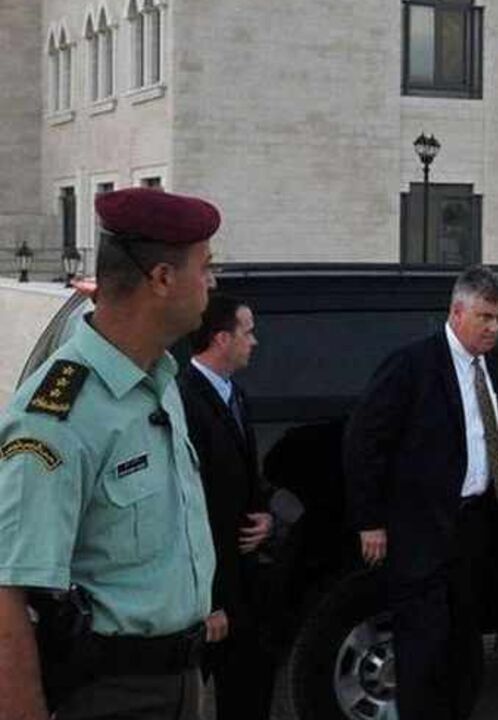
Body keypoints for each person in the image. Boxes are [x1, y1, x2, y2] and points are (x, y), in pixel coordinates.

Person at [0, 187, 219, 720]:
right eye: (205, 267)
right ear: (163, 279)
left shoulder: (160, 378)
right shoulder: (58, 415)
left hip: (185, 680)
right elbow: (8, 592)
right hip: (109, 693)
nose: (213, 283)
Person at [344, 265, 498, 720]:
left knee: (466, 654)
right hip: (419, 530)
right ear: (457, 311)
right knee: (422, 654)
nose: (493, 327)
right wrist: (370, 521)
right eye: (484, 316)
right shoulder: (413, 364)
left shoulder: (495, 365)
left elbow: (496, 430)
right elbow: (365, 442)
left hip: (474, 527)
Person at [178, 294, 275, 720]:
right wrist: (210, 600)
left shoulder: (236, 395)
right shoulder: (185, 400)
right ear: (221, 339)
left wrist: (266, 517)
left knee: (252, 683)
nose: (254, 341)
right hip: (211, 589)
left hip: (246, 578)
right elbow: (191, 503)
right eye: (247, 331)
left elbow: (247, 481)